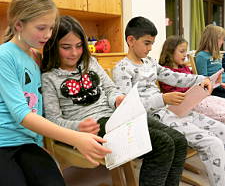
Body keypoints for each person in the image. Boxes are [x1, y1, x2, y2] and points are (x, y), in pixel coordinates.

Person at [41, 15, 188, 186]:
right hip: (92, 127)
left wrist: (117, 99)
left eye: (79, 46)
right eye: (66, 47)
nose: (74, 53)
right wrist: (77, 127)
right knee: (162, 144)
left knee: (179, 140)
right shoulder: (49, 78)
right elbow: (52, 120)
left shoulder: (91, 62)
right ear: (53, 46)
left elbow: (111, 89)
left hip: (116, 116)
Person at [0, 0, 112, 186]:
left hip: (29, 143)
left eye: (51, 28)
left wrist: (43, 143)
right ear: (18, 24)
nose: (48, 35)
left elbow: (41, 108)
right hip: (4, 142)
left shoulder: (36, 57)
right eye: (41, 28)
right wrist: (76, 137)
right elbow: (22, 114)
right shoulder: (5, 56)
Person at [113, 16, 225, 186]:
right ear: (131, 40)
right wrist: (163, 99)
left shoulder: (149, 62)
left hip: (172, 110)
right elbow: (129, 107)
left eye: (152, 43)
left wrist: (204, 78)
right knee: (213, 143)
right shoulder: (122, 69)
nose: (151, 48)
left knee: (221, 129)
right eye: (147, 43)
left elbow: (174, 77)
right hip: (156, 117)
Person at [159, 35, 225, 123]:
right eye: (182, 51)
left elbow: (193, 84)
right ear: (170, 52)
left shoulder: (184, 68)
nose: (185, 54)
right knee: (221, 112)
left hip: (200, 98)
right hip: (188, 104)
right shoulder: (165, 73)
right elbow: (173, 92)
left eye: (185, 51)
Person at [195, 24, 225, 98]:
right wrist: (220, 84)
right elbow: (204, 78)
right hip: (215, 88)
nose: (222, 42)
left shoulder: (216, 54)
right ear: (214, 40)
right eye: (221, 39)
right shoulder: (201, 56)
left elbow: (221, 73)